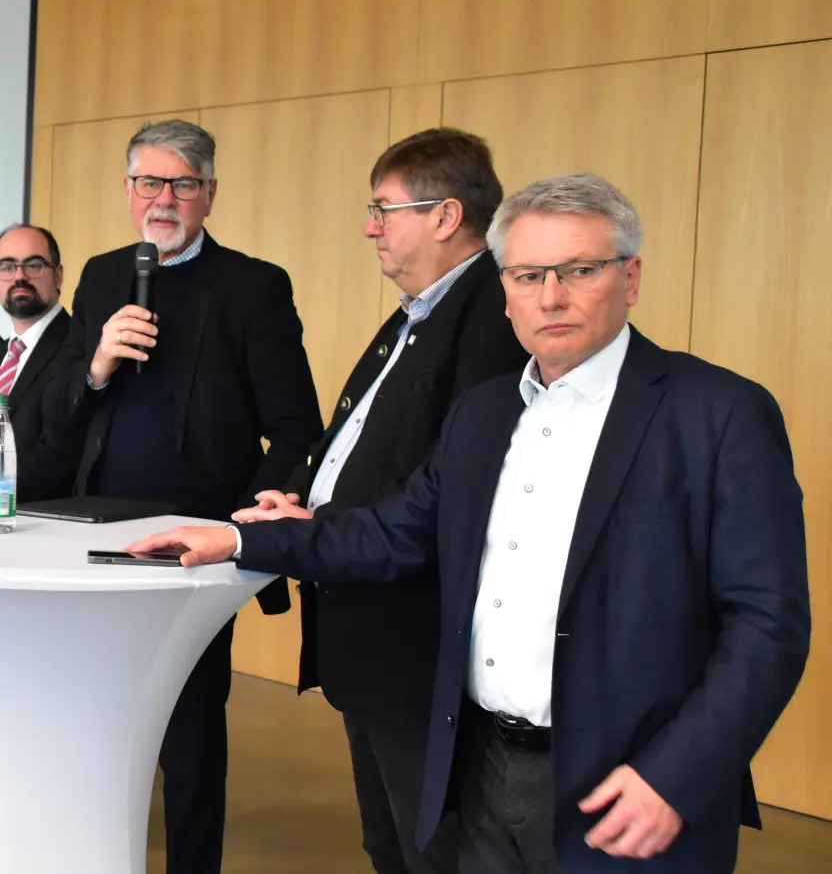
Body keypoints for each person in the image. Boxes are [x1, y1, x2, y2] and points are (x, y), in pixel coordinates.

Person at [127, 173, 811, 874]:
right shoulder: (484, 414)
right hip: (479, 770)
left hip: (629, 783)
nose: (551, 296)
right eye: (527, 274)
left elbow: (767, 624)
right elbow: (392, 532)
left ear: (630, 278)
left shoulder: (719, 414)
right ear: (504, 287)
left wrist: (679, 774)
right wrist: (240, 538)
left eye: (579, 270)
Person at [44, 119, 325, 874]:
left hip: (195, 542)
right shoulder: (104, 275)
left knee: (192, 727)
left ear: (209, 194)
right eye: (148, 182)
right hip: (95, 528)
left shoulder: (254, 287)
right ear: (128, 189)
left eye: (182, 184)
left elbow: (300, 427)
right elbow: (59, 405)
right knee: (98, 712)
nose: (162, 200)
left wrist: (252, 516)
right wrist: (99, 361)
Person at [268, 128, 527, 874]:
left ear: (446, 216)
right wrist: (297, 489)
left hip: (416, 632)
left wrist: (317, 524)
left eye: (384, 209)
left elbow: (444, 477)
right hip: (366, 618)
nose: (369, 226)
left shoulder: (490, 317)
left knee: (429, 848)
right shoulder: (421, 309)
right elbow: (357, 434)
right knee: (388, 840)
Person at [0, 224, 78, 502]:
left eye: (34, 265)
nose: (19, 276)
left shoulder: (79, 349)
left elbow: (61, 455)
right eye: (6, 267)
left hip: (32, 519)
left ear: (59, 275)